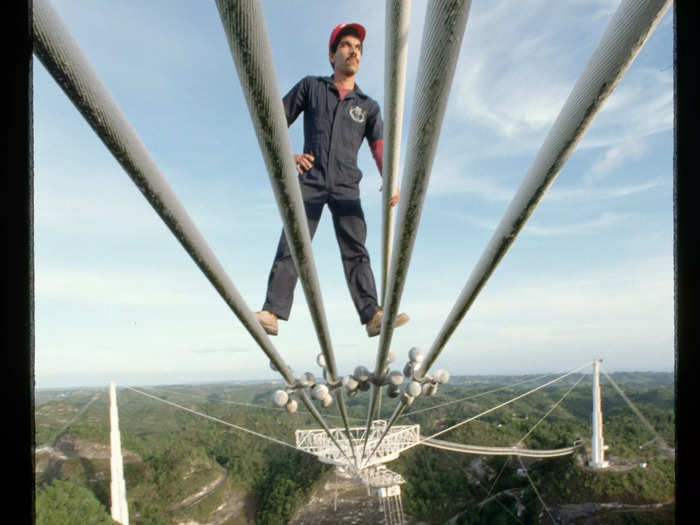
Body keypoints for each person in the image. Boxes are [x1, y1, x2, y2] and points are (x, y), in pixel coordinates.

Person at [254, 22, 409, 338]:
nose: (353, 51)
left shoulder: (367, 106)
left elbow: (380, 147)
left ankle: (372, 315)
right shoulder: (311, 86)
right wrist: (287, 156)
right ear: (332, 55)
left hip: (345, 183)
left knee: (356, 248)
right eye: (346, 45)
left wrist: (390, 179)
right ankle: (271, 313)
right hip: (311, 177)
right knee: (294, 241)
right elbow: (273, 120)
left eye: (358, 48)